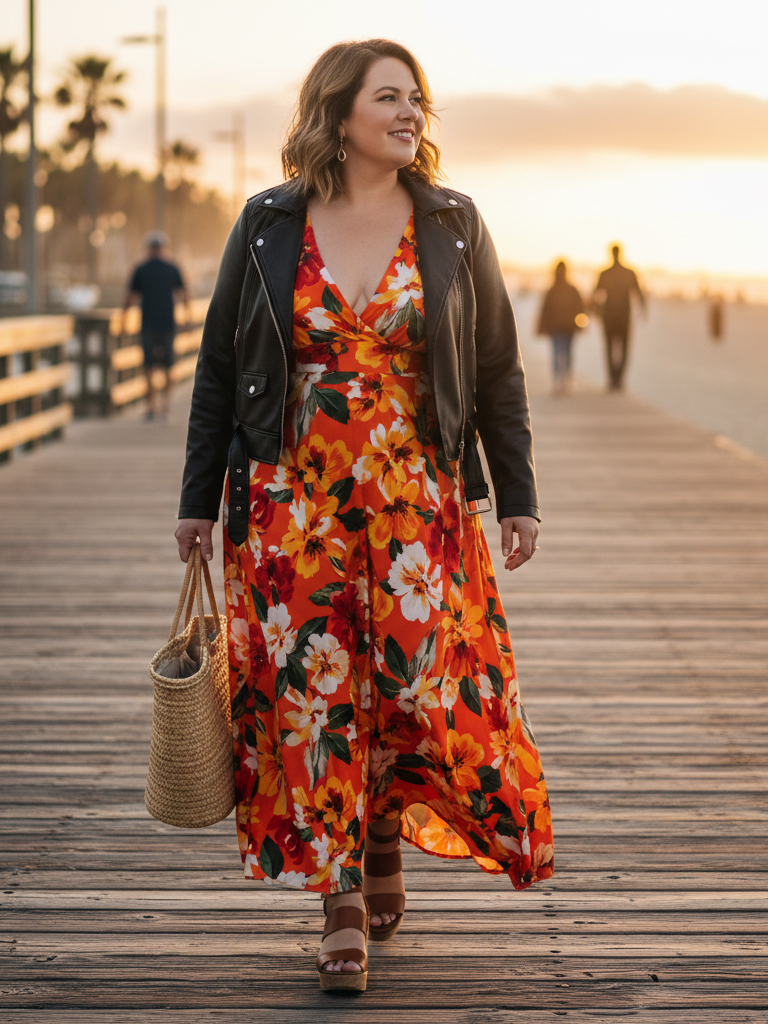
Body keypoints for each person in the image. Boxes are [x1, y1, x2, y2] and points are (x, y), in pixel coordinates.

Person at [175, 39, 554, 993]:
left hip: (418, 504)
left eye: (417, 98)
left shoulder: (454, 223)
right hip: (289, 503)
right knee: (315, 693)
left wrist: (516, 494)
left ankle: (382, 825)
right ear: (338, 113)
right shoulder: (267, 223)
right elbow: (220, 366)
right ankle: (339, 896)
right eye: (390, 97)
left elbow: (498, 367)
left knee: (413, 685)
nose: (411, 112)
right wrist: (196, 503)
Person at [123, 231, 189, 419]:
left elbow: (130, 297)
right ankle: (165, 405)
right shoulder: (172, 267)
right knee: (168, 364)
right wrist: (188, 317)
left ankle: (152, 406)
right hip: (166, 323)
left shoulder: (141, 268)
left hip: (149, 323)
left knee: (148, 365)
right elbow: (184, 293)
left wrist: (123, 320)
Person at [594, 244, 645, 391]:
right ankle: (617, 380)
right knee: (620, 349)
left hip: (612, 316)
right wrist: (642, 309)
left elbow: (596, 294)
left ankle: (615, 380)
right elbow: (638, 293)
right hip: (620, 316)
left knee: (612, 349)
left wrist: (597, 310)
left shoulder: (607, 273)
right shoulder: (627, 273)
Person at [536, 260, 586, 396]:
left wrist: (541, 326)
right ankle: (564, 379)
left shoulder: (554, 290)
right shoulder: (567, 289)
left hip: (562, 327)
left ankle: (561, 380)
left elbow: (579, 308)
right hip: (564, 327)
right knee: (565, 352)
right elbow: (580, 308)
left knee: (559, 352)